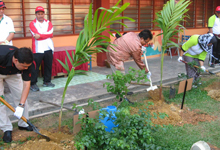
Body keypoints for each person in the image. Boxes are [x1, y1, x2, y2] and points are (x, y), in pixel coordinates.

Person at [0, 45, 34, 143]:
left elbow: (27, 85)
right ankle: (6, 128)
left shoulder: (28, 62)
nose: (26, 68)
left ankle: (23, 123)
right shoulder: (1, 55)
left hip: (14, 74)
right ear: (15, 60)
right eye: (24, 66)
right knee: (1, 102)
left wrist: (21, 105)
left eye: (28, 66)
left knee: (21, 96)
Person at [29, 6, 55, 92]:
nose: (40, 15)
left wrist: (40, 35)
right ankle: (33, 84)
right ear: (36, 14)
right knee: (35, 67)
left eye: (42, 13)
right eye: (38, 14)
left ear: (44, 14)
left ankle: (47, 81)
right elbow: (35, 36)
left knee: (48, 65)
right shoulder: (32, 24)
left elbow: (51, 34)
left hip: (48, 47)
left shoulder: (48, 23)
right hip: (38, 48)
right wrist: (44, 35)